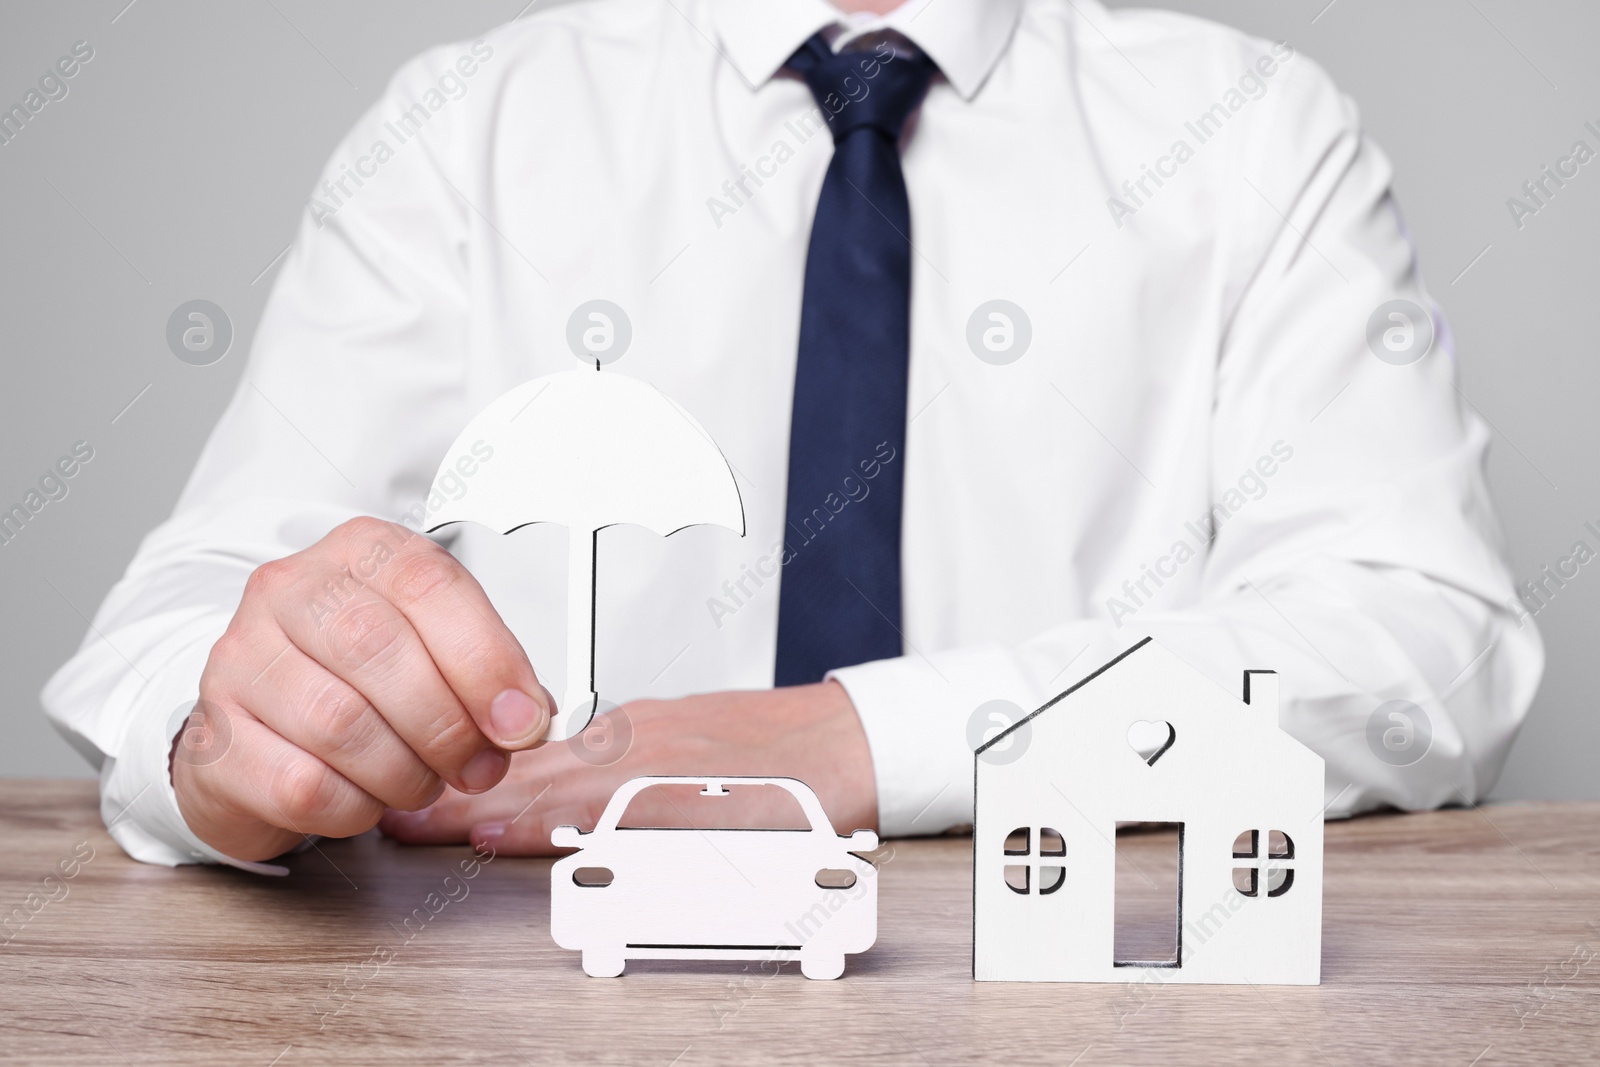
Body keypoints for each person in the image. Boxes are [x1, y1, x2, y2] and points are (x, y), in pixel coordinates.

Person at [44, 0, 1541, 873]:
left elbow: (1422, 639)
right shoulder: (466, 128)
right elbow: (178, 627)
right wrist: (230, 737)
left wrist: (861, 738)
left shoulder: (1255, 130)